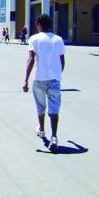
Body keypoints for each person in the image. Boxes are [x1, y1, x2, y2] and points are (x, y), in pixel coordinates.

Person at [22, 14, 65, 152]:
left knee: (40, 106)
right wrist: (57, 74)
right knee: (54, 109)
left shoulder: (34, 39)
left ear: (39, 25)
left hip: (39, 79)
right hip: (54, 80)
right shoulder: (58, 40)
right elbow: (62, 61)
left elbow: (31, 59)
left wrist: (25, 80)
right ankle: (54, 137)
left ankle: (41, 130)